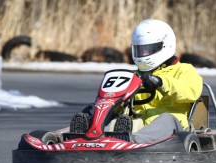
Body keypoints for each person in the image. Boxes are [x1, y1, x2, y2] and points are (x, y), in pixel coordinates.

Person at [70, 19, 203, 143]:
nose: (143, 54)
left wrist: (161, 83)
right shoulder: (134, 76)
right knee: (100, 109)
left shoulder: (184, 70)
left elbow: (192, 91)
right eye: (140, 50)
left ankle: (132, 142)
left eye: (148, 50)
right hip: (135, 123)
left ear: (165, 45)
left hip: (172, 127)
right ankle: (86, 134)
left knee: (166, 119)